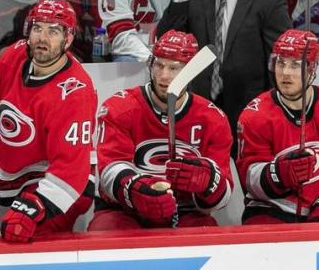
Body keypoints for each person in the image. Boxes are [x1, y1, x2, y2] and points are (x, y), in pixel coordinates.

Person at [0, 0, 96, 243]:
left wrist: (34, 207)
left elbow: (70, 168)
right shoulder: (15, 55)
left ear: (68, 39)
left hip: (66, 182)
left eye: (53, 31)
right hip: (25, 177)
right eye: (38, 28)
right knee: (14, 236)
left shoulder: (75, 92)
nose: (42, 38)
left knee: (23, 237)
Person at [157, 0, 290, 154]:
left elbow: (277, 62)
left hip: (247, 113)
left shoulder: (269, 0)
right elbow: (165, 39)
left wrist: (272, 112)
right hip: (198, 110)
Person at [90, 30, 233, 230]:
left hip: (186, 211)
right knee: (105, 236)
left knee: (206, 236)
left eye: (174, 68)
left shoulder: (212, 119)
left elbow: (223, 196)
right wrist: (137, 190)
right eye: (159, 65)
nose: (164, 76)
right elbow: (109, 171)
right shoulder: (120, 108)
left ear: (191, 71)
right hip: (124, 209)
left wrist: (209, 181)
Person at [237, 29, 319, 224]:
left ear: (312, 69)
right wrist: (278, 174)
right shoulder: (255, 114)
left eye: (295, 65)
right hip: (271, 210)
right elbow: (249, 179)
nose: (285, 73)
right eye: (280, 63)